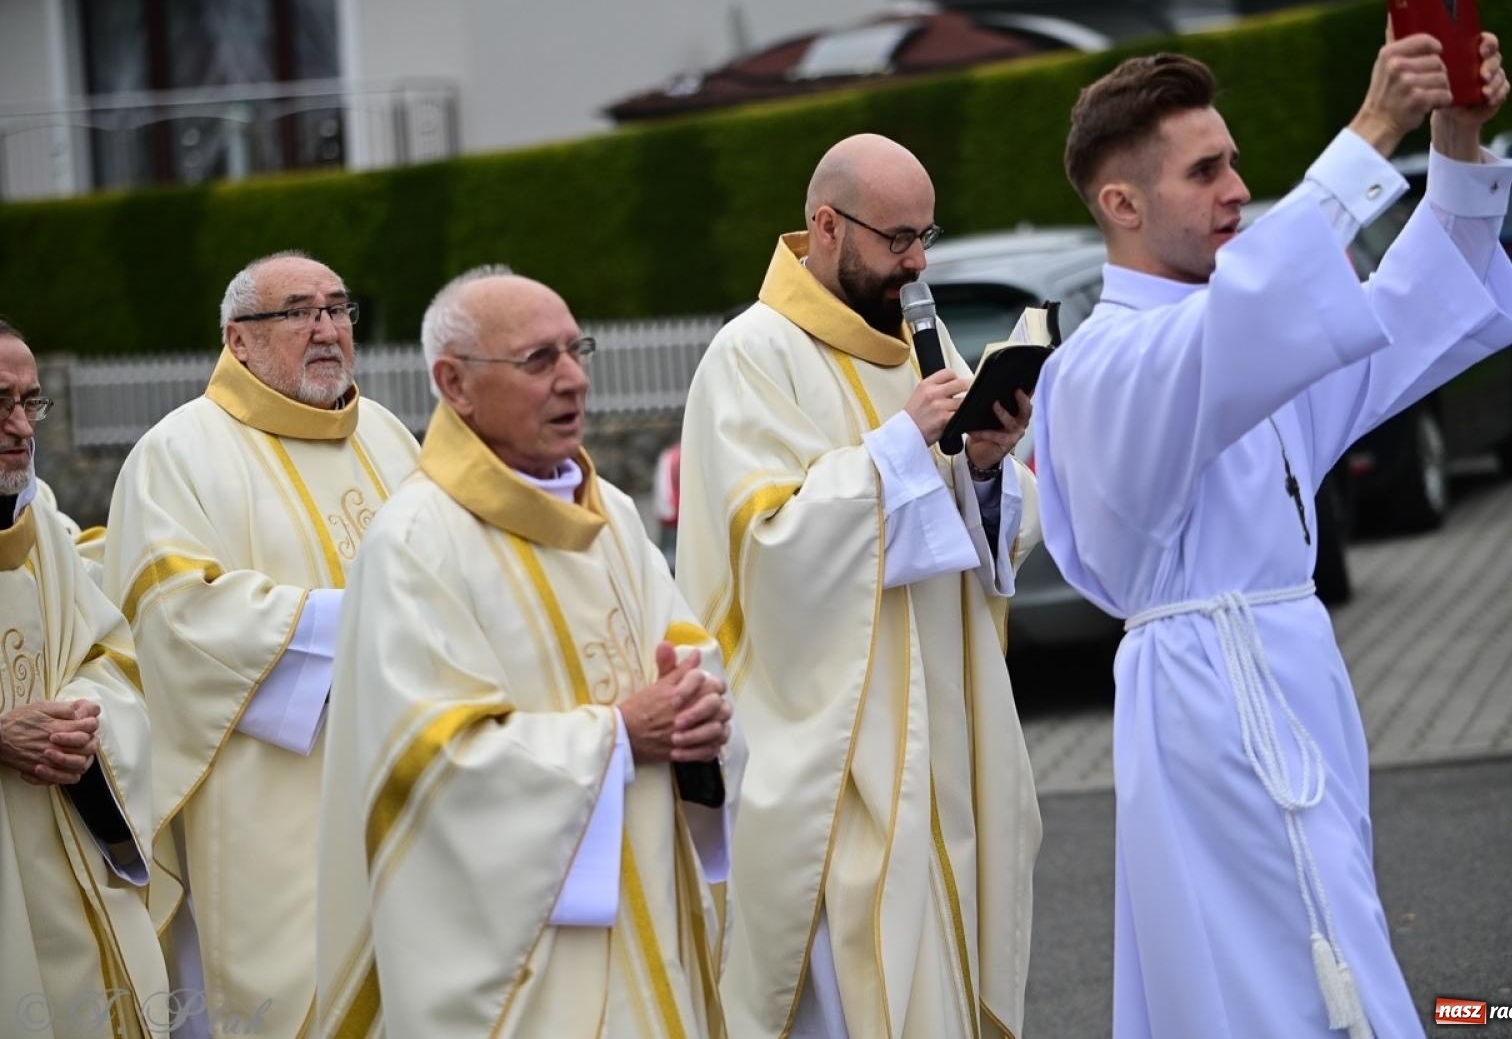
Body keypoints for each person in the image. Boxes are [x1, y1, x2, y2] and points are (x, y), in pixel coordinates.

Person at [1032, 27, 1512, 1039]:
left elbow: (1406, 309)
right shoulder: (1102, 363)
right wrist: (1370, 128)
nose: (1235, 189)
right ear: (1120, 205)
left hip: (1287, 673)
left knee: (1319, 943)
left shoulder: (1233, 343)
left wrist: (1454, 138)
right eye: (1204, 170)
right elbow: (1248, 311)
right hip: (1213, 701)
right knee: (1286, 977)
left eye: (1233, 163)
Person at [676, 134, 1043, 1039]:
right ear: (826, 226)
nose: (918, 262)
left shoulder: (921, 338)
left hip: (944, 744)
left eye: (927, 234)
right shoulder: (750, 355)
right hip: (837, 765)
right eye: (896, 238)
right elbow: (768, 551)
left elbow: (963, 530)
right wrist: (897, 449)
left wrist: (987, 465)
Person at [316, 266, 740, 1038]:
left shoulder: (606, 509)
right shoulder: (416, 541)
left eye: (576, 350)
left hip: (649, 897)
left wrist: (701, 707)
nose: (574, 379)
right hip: (523, 962)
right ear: (456, 384)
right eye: (539, 360)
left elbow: (681, 645)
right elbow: (431, 765)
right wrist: (618, 734)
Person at [100, 253, 420, 1038]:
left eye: (339, 309)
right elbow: (179, 619)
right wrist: (370, 625)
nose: (326, 329)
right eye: (299, 311)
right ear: (238, 341)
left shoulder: (385, 435)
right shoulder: (177, 454)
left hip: (400, 776)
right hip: (271, 799)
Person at [0, 321, 169, 1038]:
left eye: (29, 403)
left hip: (66, 860)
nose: (19, 427)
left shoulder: (47, 533)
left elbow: (111, 652)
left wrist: (83, 717)